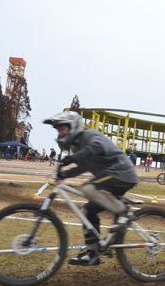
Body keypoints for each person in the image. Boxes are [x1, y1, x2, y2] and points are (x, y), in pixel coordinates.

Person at [44, 111, 138, 266]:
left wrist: (73, 158)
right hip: (111, 179)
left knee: (87, 188)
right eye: (58, 130)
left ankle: (124, 213)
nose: (59, 133)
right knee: (86, 211)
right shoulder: (77, 148)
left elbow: (97, 147)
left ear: (73, 126)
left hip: (121, 173)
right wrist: (64, 174)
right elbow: (82, 166)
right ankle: (92, 253)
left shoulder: (89, 136)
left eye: (62, 129)